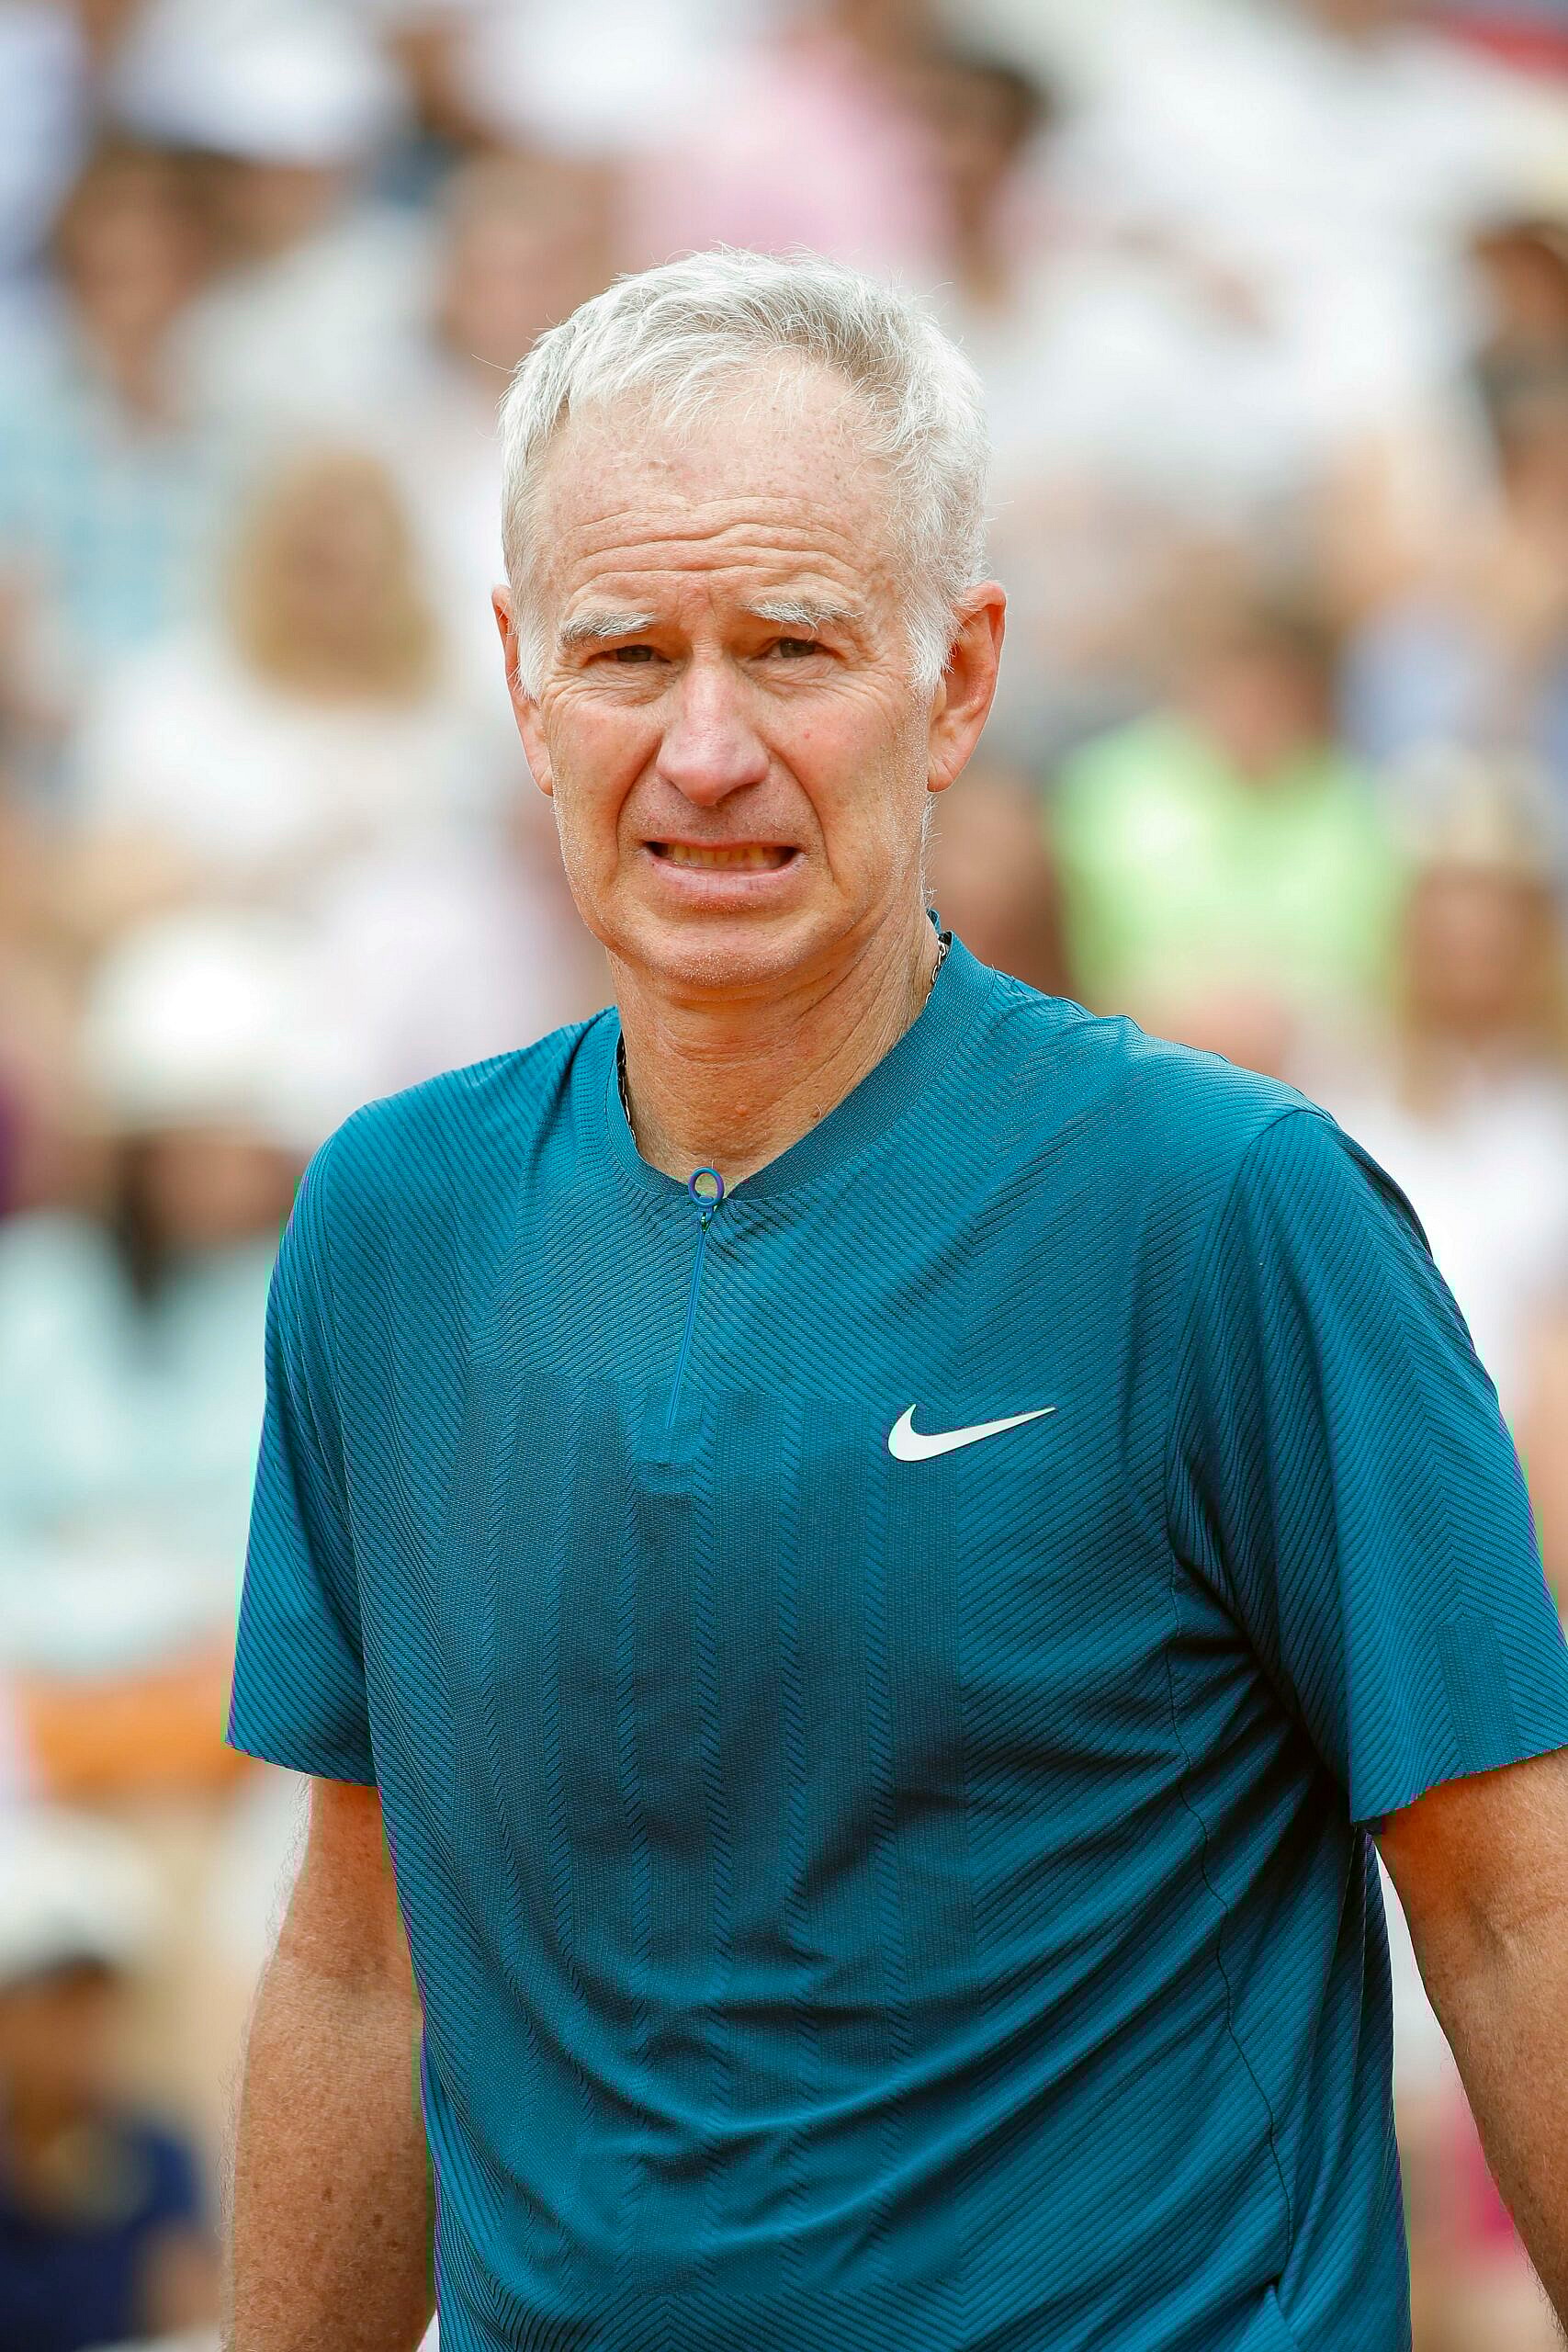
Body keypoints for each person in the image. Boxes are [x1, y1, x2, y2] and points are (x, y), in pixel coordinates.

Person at [223, 250, 1568, 2352]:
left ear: (956, 682)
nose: (701, 745)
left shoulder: (1224, 1213)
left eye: (787, 645)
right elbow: (361, 1955)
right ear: (513, 677)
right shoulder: (385, 1222)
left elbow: (1512, 1906)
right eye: (620, 651)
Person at [0, 1804, 219, 2352]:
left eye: (95, 2007)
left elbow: (188, 2319)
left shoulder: (156, 2157)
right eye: (56, 2006)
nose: (80, 2035)